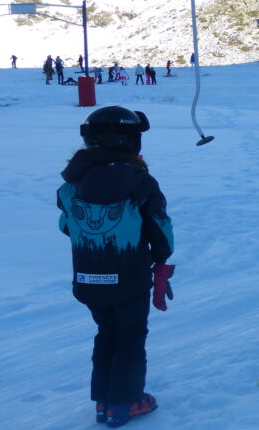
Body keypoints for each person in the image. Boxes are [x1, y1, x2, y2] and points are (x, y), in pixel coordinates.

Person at [56, 105, 174, 427]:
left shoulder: (71, 184)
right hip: (129, 278)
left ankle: (104, 401)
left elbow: (66, 225)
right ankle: (125, 404)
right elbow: (160, 227)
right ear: (130, 140)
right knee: (131, 336)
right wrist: (161, 256)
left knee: (107, 332)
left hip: (88, 279)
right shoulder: (140, 182)